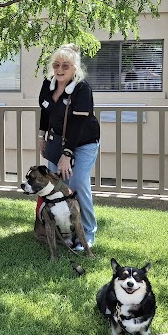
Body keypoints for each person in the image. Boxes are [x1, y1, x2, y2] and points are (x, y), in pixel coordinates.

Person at [37, 43, 100, 248]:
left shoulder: (82, 89)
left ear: (75, 68)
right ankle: (64, 231)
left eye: (66, 65)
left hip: (83, 143)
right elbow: (46, 112)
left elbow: (77, 126)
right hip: (56, 142)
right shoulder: (48, 84)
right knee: (57, 188)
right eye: (56, 65)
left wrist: (67, 154)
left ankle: (88, 232)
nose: (60, 69)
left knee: (78, 184)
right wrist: (41, 136)